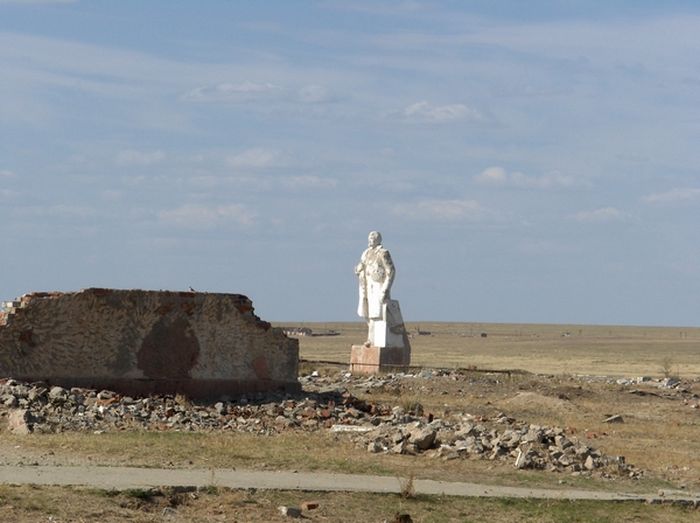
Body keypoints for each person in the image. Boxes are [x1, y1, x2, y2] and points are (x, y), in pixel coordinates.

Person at [355, 231, 395, 343]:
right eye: (369, 238)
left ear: (378, 240)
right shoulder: (366, 253)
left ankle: (375, 340)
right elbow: (361, 266)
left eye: (372, 238)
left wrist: (385, 289)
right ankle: (371, 338)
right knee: (366, 312)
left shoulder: (383, 253)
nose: (370, 240)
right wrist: (358, 269)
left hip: (378, 286)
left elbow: (391, 271)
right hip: (366, 286)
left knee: (378, 314)